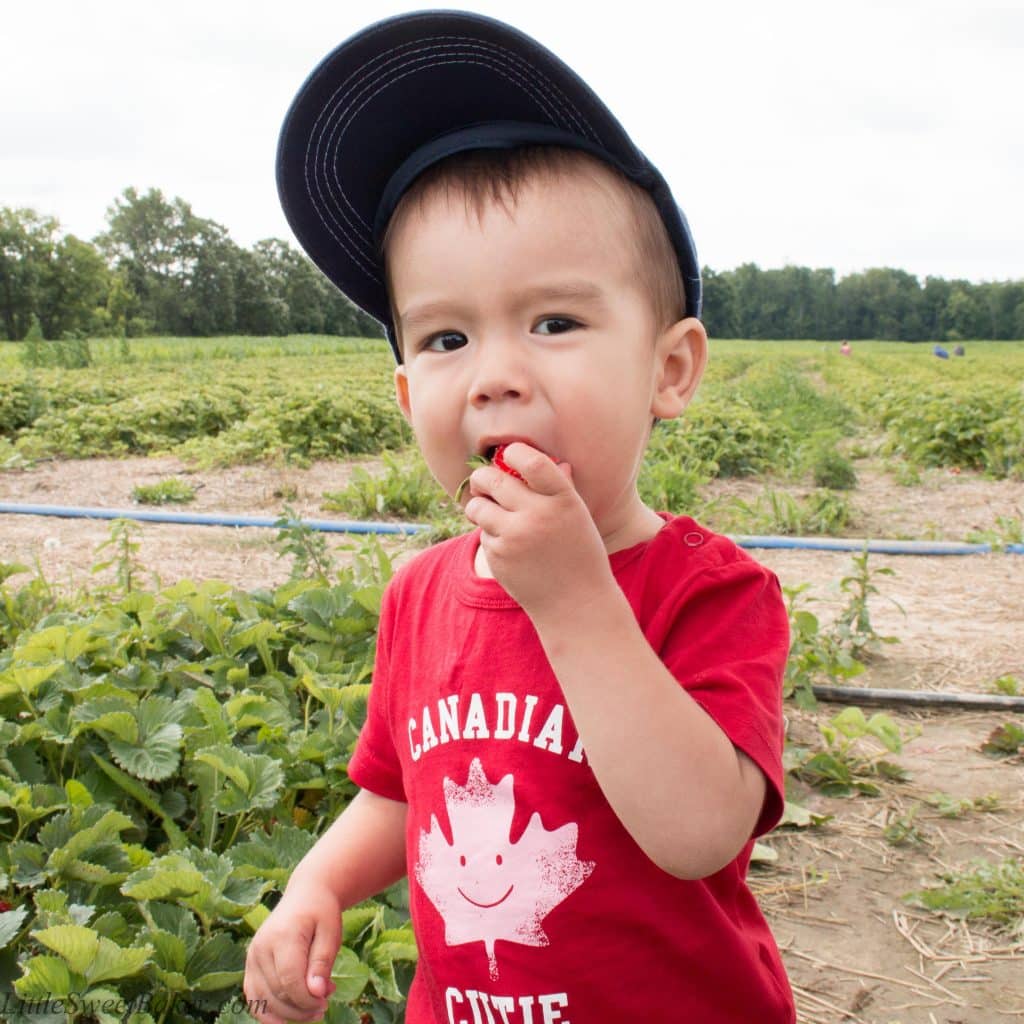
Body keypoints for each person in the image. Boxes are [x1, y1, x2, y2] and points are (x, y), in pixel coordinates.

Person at [245, 11, 794, 1024]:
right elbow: (399, 793)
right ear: (410, 397)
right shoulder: (419, 594)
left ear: (667, 370)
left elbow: (699, 831)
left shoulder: (709, 591)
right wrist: (315, 883)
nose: (495, 377)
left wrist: (577, 599)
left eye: (553, 322)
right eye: (447, 336)